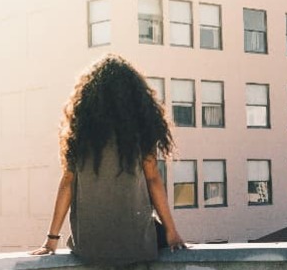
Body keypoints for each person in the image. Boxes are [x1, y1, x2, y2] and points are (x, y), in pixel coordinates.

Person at [31, 54, 186, 264]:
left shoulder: (78, 132)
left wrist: (51, 240)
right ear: (134, 96)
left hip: (89, 246)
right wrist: (172, 233)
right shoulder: (140, 131)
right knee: (153, 231)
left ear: (87, 97)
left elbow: (67, 183)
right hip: (135, 245)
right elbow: (153, 180)